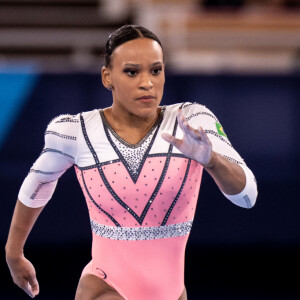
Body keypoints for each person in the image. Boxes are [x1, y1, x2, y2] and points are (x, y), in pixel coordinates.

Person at [5, 24, 258, 300]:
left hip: (171, 292)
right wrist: (13, 251)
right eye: (132, 71)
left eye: (156, 70)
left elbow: (248, 197)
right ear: (107, 77)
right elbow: (40, 179)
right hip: (104, 285)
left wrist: (211, 161)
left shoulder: (191, 122)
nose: (146, 82)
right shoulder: (76, 132)